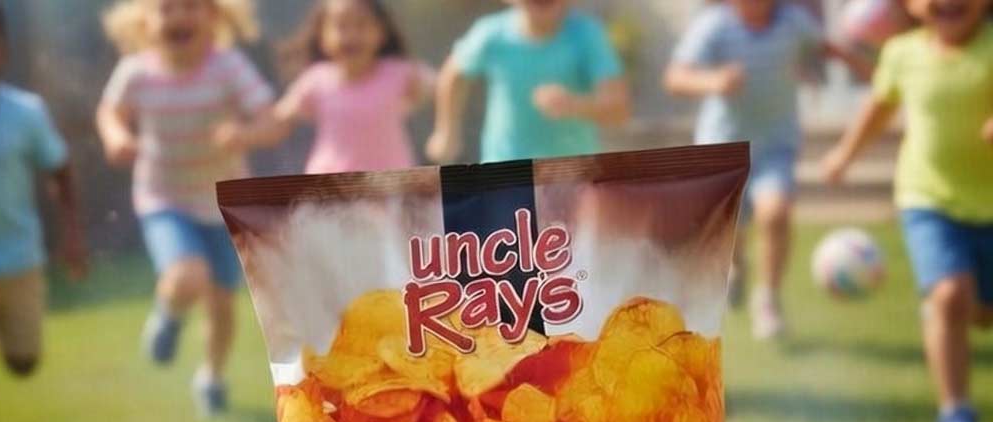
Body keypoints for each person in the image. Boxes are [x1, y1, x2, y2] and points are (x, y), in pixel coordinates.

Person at [824, 0, 993, 422]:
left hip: (989, 203)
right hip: (927, 198)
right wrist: (843, 156)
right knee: (950, 294)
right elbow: (877, 109)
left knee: (978, 311)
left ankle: (946, 314)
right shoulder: (902, 52)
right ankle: (956, 414)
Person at [96, 0, 274, 416]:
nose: (178, 17)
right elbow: (110, 111)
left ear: (213, 16)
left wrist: (243, 133)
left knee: (222, 305)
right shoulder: (136, 72)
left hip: (222, 200)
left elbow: (268, 119)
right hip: (164, 197)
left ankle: (211, 377)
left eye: (190, 6)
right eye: (166, 9)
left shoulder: (228, 67)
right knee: (186, 275)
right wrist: (116, 135)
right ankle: (168, 314)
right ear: (146, 23)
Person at [664, 1, 865, 341]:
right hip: (723, 147)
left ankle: (767, 300)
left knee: (775, 213)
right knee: (731, 231)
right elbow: (675, 77)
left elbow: (823, 46)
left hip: (776, 144)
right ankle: (738, 266)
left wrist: (864, 66)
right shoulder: (715, 26)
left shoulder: (793, 21)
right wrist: (713, 81)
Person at [0, 0, 86, 422]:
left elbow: (60, 169)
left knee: (22, 363)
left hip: (18, 262)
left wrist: (72, 234)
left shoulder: (24, 113)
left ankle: (0, 334)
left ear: (3, 50)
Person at [219, 0, 433, 175]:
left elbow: (442, 87)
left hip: (391, 185)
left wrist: (445, 131)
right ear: (322, 36)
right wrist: (244, 135)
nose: (351, 36)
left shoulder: (399, 74)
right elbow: (278, 123)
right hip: (331, 188)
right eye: (341, 26)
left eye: (361, 25)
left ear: (381, 32)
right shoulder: (317, 81)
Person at [426, 0, 630, 166]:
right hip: (504, 171)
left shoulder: (587, 35)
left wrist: (574, 105)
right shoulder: (491, 34)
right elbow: (453, 75)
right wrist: (446, 131)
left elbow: (619, 109)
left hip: (573, 173)